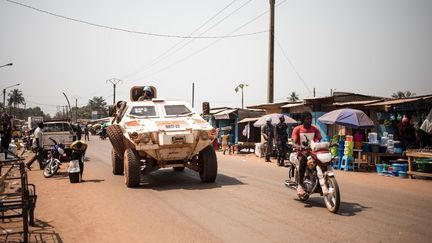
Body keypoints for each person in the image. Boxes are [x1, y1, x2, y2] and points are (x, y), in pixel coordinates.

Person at [291, 112, 322, 196]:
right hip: (301, 152)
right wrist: (298, 146)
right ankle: (300, 186)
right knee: (303, 161)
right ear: (303, 120)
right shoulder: (297, 129)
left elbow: (318, 139)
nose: (309, 120)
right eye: (307, 119)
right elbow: (294, 141)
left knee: (322, 161)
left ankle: (320, 182)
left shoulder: (315, 129)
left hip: (312, 152)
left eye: (310, 119)